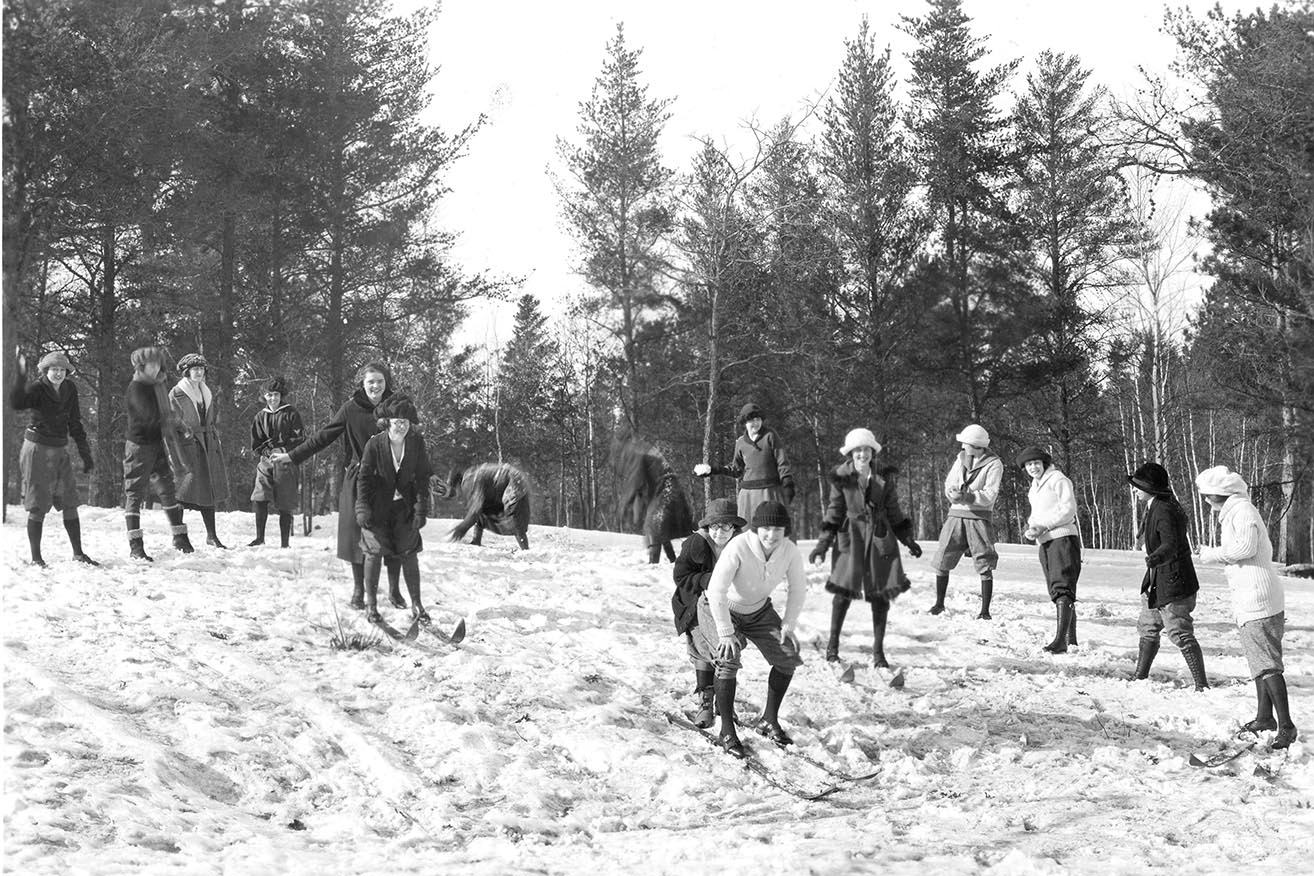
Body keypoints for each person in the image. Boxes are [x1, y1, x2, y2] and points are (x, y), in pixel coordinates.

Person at [274, 362, 405, 609]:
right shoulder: (351, 409)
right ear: (362, 385)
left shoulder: (399, 407)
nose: (375, 386)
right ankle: (358, 591)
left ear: (386, 382)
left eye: (380, 381)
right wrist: (292, 456)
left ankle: (395, 591)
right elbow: (323, 436)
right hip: (360, 479)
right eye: (370, 382)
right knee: (356, 536)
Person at [693, 500, 807, 757]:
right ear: (756, 528)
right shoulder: (739, 546)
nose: (771, 534)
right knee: (728, 658)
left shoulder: (789, 551)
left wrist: (788, 625)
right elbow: (716, 590)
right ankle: (726, 731)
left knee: (787, 657)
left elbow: (798, 588)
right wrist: (726, 632)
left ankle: (768, 720)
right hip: (719, 607)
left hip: (758, 611)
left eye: (778, 529)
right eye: (766, 528)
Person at [1196, 465, 1296, 748]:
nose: (1205, 500)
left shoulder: (1242, 511)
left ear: (1220, 494)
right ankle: (1265, 717)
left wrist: (1211, 553)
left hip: (1258, 597)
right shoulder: (1236, 511)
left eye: (1207, 495)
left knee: (1267, 664)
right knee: (1259, 661)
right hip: (1252, 595)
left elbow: (1245, 549)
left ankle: (1287, 725)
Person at [809, 429, 922, 667]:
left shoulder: (883, 477)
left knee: (881, 595)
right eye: (857, 450)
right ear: (850, 453)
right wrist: (822, 546)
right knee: (843, 592)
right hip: (851, 536)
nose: (862, 454)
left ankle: (878, 652)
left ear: (873, 451)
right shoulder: (841, 476)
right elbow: (833, 512)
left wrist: (908, 539)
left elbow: (894, 511)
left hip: (880, 537)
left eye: (866, 449)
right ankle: (833, 646)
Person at [9, 350, 98, 566]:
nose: (58, 373)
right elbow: (18, 402)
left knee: (69, 501)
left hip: (59, 449)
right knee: (38, 503)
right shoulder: (37, 388)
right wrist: (20, 375)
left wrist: (85, 453)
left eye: (62, 370)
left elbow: (75, 423)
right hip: (37, 449)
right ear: (45, 370)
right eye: (54, 369)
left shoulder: (69, 388)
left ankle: (78, 553)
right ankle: (36, 558)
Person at [1127, 462, 1208, 691]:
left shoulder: (1163, 509)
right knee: (1149, 624)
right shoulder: (1157, 505)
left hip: (1173, 580)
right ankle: (1139, 676)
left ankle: (1201, 684)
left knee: (1179, 631)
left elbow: (1171, 544)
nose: (1135, 490)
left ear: (1149, 487)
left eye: (1138, 486)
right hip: (1157, 579)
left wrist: (1154, 558)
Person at [355, 394, 432, 625]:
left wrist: (420, 510)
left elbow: (421, 478)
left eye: (406, 422)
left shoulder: (416, 443)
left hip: (403, 508)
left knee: (409, 551)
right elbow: (364, 479)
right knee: (374, 551)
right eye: (397, 421)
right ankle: (371, 606)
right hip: (376, 508)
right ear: (386, 422)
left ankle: (417, 604)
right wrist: (362, 508)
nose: (402, 426)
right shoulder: (374, 444)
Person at [672, 497, 745, 728]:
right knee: (705, 649)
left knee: (728, 648)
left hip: (727, 605)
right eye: (714, 526)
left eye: (725, 526)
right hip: (694, 603)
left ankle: (723, 703)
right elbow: (680, 576)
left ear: (734, 527)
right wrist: (709, 580)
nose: (719, 532)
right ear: (707, 527)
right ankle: (706, 700)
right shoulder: (697, 543)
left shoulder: (741, 545)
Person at [123, 346, 193, 560]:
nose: (156, 367)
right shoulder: (136, 388)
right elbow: (149, 417)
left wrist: (180, 424)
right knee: (135, 492)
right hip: (139, 447)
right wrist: (171, 423)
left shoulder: (158, 385)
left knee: (167, 489)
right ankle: (135, 545)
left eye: (158, 363)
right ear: (141, 366)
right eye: (151, 363)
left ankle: (179, 536)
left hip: (157, 444)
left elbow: (167, 413)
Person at [928, 424, 1003, 618]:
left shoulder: (994, 464)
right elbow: (949, 483)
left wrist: (968, 497)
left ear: (976, 445)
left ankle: (985, 611)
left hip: (978, 518)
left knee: (984, 560)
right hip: (955, 515)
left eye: (966, 444)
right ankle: (939, 604)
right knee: (943, 556)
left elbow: (990, 494)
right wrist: (952, 493)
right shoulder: (960, 459)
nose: (962, 447)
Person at [1018, 446, 1082, 653]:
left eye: (1036, 463)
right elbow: (1036, 514)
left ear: (1044, 463)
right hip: (1044, 541)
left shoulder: (1058, 479)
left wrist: (1045, 526)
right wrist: (1032, 528)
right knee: (1057, 589)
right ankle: (1069, 638)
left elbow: (1068, 508)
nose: (1033, 467)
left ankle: (1061, 641)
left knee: (1063, 586)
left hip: (1062, 538)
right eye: (1028, 465)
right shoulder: (1034, 487)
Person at [693, 402, 796, 525]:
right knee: (747, 531)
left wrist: (787, 483)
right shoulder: (741, 443)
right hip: (748, 496)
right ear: (744, 423)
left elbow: (782, 461)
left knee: (772, 527)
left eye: (758, 419)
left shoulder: (770, 436)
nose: (755, 423)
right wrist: (712, 470)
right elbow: (736, 470)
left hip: (770, 491)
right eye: (751, 420)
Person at [169, 353, 230, 548]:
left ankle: (211, 536)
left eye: (201, 369)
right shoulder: (176, 393)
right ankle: (178, 537)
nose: (199, 372)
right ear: (186, 372)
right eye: (195, 369)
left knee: (208, 489)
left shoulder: (206, 392)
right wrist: (175, 454)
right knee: (182, 490)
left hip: (207, 445)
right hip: (187, 447)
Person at [248, 376, 304, 548]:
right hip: (266, 461)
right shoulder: (260, 416)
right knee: (259, 496)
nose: (273, 398)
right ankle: (259, 537)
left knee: (285, 501)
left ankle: (285, 543)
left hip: (286, 460)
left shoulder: (291, 413)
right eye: (269, 395)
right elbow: (256, 442)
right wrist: (266, 452)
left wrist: (284, 450)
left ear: (282, 395)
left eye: (276, 395)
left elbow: (299, 438)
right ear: (264, 396)